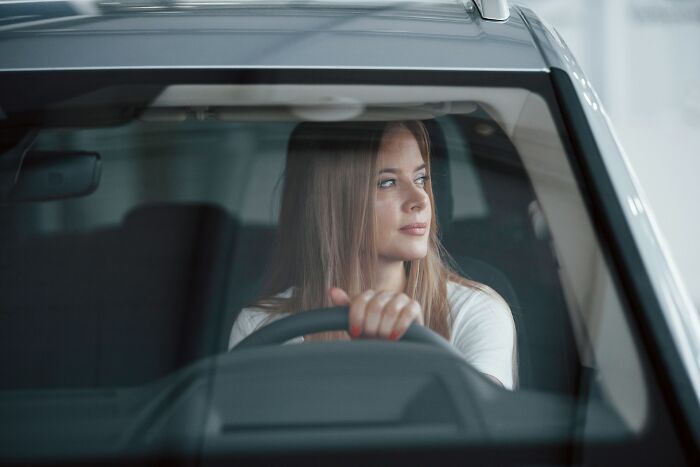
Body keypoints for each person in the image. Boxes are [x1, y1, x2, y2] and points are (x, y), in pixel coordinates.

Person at [229, 120, 517, 390]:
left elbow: (481, 437)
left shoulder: (476, 312)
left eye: (421, 178)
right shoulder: (260, 327)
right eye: (387, 182)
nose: (421, 199)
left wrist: (400, 362)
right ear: (335, 202)